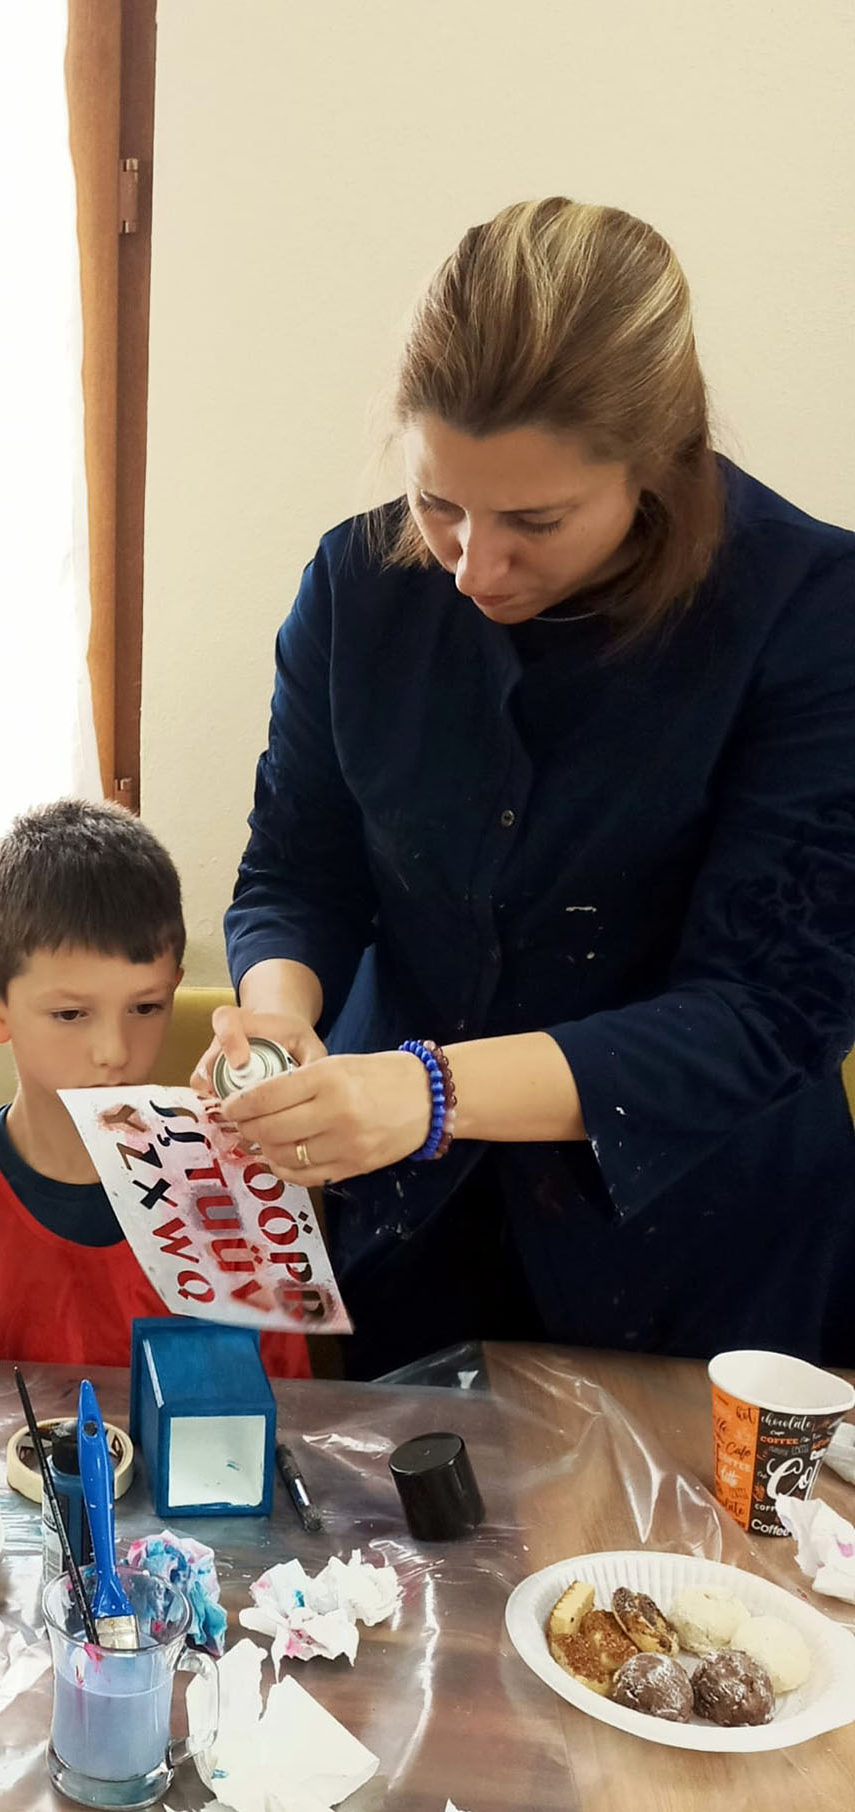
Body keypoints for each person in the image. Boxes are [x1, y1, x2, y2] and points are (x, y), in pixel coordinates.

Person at [206, 198, 855, 1375]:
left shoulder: (808, 613)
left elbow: (769, 1007)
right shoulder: (355, 587)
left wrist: (431, 1091)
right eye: (436, 504)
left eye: (534, 521)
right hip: (406, 1223)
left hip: (695, 1249)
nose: (470, 567)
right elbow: (297, 868)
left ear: (654, 467)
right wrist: (277, 1008)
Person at [0, 799, 311, 1376]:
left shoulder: (238, 1190)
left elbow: (289, 1404)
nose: (114, 1052)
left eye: (146, 1007)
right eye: (71, 1014)